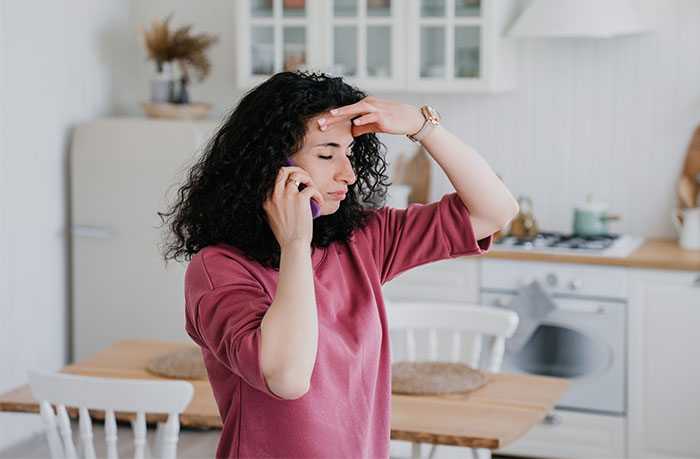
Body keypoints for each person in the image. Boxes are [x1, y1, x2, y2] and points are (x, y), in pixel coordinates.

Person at [160, 71, 519, 459]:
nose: (347, 174)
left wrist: (422, 126)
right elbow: (287, 376)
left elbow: (495, 211)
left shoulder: (362, 241)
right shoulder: (218, 268)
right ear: (270, 164)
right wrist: (296, 243)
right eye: (327, 154)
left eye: (348, 154)